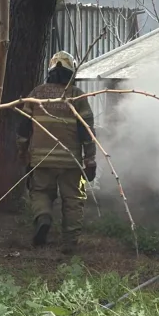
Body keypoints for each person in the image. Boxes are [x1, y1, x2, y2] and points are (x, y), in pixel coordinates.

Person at [16, 51, 97, 254]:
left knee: (40, 192)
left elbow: (24, 128)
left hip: (41, 159)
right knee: (73, 199)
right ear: (71, 73)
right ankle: (70, 243)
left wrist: (23, 151)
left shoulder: (36, 93)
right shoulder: (76, 95)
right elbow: (87, 130)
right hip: (70, 161)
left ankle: (43, 217)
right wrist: (90, 159)